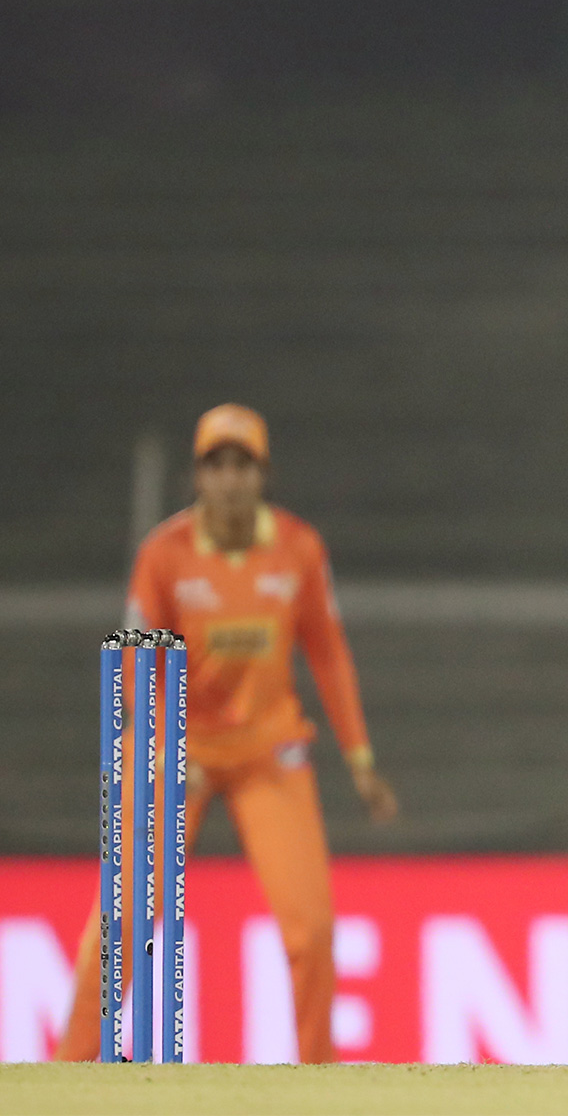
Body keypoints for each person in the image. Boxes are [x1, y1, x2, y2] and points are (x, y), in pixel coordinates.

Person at [56, 403, 399, 1063]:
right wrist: (162, 740)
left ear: (262, 475)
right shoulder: (167, 553)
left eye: (244, 465)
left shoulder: (298, 549)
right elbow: (135, 656)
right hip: (177, 748)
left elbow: (328, 653)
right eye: (217, 466)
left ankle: (320, 1080)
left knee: (313, 930)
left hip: (268, 751)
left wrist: (359, 758)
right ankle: (70, 1072)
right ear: (198, 476)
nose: (231, 480)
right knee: (123, 919)